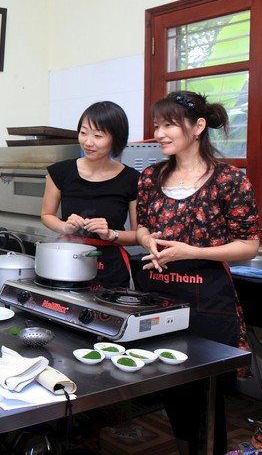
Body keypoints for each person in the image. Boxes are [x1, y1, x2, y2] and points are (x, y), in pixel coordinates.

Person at [136, 91, 258, 454]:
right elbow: (142, 227)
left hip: (207, 301)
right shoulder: (151, 177)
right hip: (158, 295)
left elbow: (249, 245)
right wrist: (148, 241)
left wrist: (193, 251)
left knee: (207, 396)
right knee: (169, 387)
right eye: (157, 125)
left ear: (198, 126)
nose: (159, 133)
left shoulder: (229, 180)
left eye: (169, 125)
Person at [41, 101, 139, 289]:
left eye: (98, 136)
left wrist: (110, 234)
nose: (88, 142)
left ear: (116, 138)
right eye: (83, 132)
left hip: (111, 268)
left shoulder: (132, 179)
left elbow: (138, 235)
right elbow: (46, 215)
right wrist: (65, 227)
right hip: (68, 260)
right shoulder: (60, 172)